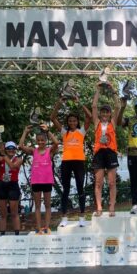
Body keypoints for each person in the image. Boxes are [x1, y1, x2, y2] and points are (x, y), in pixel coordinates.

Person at [51, 97, 92, 227]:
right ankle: (64, 218)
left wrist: (78, 101)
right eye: (70, 121)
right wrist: (60, 101)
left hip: (79, 162)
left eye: (74, 120)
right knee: (66, 190)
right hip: (66, 162)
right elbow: (53, 118)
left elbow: (89, 116)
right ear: (68, 122)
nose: (72, 122)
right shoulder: (64, 132)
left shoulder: (81, 131)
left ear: (77, 121)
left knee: (81, 188)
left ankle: (81, 217)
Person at [19, 124, 59, 234]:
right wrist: (25, 132)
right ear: (36, 141)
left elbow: (56, 143)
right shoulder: (33, 151)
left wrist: (48, 131)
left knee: (47, 205)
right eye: (38, 140)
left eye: (42, 140)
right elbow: (21, 146)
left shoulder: (50, 151)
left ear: (45, 140)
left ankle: (46, 227)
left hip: (47, 181)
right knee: (37, 206)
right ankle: (39, 227)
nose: (40, 142)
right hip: (36, 182)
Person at [91, 81, 122, 217]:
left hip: (110, 153)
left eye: (106, 112)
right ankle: (99, 207)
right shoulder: (97, 123)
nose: (104, 113)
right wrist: (98, 90)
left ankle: (112, 207)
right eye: (102, 111)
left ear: (109, 114)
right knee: (98, 182)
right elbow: (93, 106)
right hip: (99, 154)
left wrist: (112, 89)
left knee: (111, 182)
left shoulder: (112, 123)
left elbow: (117, 106)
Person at [0, 141, 23, 235]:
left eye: (13, 148)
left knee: (14, 212)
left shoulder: (19, 159)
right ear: (6, 149)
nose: (11, 150)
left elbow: (12, 166)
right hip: (1, 185)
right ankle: (2, 235)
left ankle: (17, 236)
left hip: (13, 185)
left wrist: (4, 155)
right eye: (9, 148)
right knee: (3, 213)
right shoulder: (1, 158)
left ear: (15, 150)